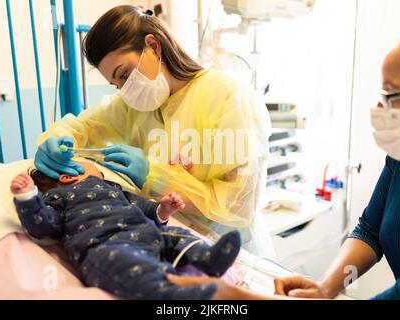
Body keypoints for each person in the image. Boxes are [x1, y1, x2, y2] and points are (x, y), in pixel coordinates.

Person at [34, 5, 272, 257]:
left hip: (231, 252)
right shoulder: (130, 108)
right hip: (170, 245)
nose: (124, 90)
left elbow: (238, 206)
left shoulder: (228, 96)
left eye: (124, 74)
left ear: (153, 46)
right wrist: (53, 142)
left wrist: (153, 177)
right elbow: (83, 127)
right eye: (116, 84)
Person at [273, 23, 400, 300]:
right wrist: (328, 286)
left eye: (391, 95)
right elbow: (371, 231)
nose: (379, 109)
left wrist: (227, 295)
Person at [10, 161, 243, 300]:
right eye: (90, 165)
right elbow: (42, 226)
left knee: (177, 237)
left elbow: (143, 206)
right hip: (105, 245)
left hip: (147, 232)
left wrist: (163, 209)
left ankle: (208, 258)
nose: (101, 171)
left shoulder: (112, 187)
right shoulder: (56, 198)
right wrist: (28, 198)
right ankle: (168, 294)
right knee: (123, 265)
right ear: (68, 175)